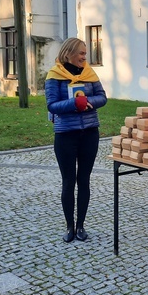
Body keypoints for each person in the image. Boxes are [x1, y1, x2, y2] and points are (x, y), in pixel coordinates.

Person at [45, 37, 107, 243]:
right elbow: (52, 105)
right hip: (65, 135)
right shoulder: (54, 76)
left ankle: (81, 225)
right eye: (81, 53)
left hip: (89, 132)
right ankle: (69, 226)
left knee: (84, 180)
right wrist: (74, 103)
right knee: (68, 181)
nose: (84, 57)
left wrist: (88, 101)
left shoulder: (89, 73)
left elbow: (102, 97)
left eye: (85, 53)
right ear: (69, 52)